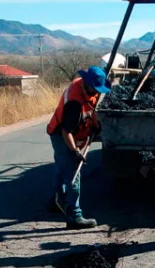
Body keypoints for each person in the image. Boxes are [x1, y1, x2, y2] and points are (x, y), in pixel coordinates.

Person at [46, 66, 111, 229]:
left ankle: (55, 199)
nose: (97, 91)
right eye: (95, 88)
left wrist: (95, 124)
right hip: (61, 135)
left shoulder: (89, 88)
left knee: (61, 168)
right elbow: (66, 131)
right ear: (86, 83)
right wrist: (75, 152)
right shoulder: (73, 103)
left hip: (69, 132)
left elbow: (92, 108)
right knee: (73, 173)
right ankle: (75, 216)